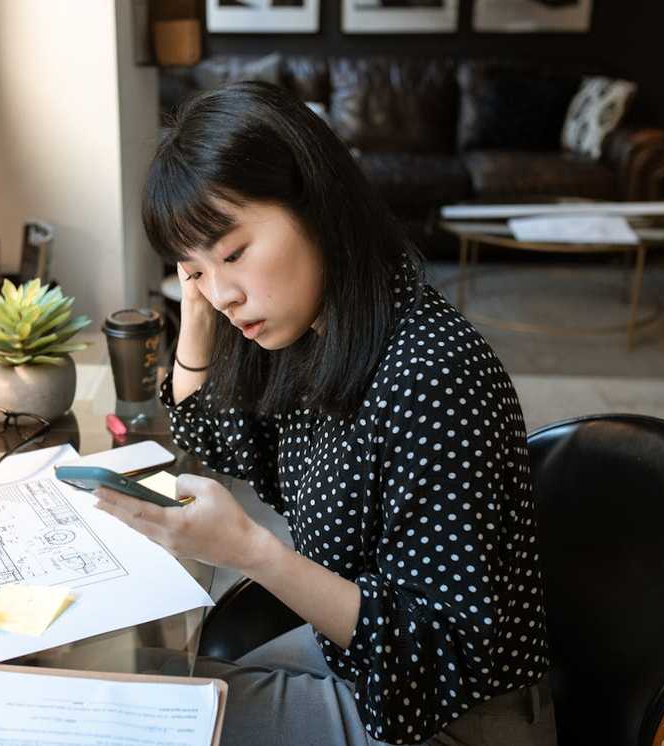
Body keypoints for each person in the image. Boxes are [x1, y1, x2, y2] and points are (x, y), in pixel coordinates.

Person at [92, 81, 556, 746]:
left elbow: (444, 655)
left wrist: (252, 552)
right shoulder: (317, 334)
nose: (223, 294)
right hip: (360, 664)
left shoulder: (429, 375)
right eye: (191, 271)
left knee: (149, 726)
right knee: (152, 700)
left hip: (448, 716)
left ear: (317, 207)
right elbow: (217, 439)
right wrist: (195, 300)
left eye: (233, 253)